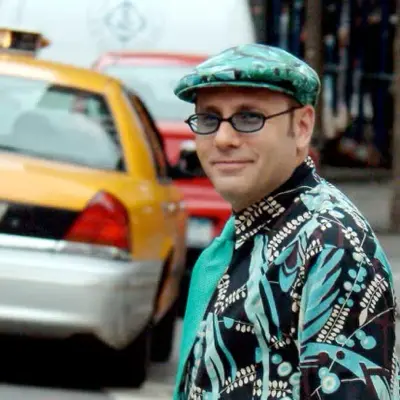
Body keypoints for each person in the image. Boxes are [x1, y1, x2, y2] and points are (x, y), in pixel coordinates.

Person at [172, 43, 399, 399]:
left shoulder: (331, 243)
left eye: (250, 117)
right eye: (209, 119)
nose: (223, 138)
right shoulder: (243, 234)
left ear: (302, 126)